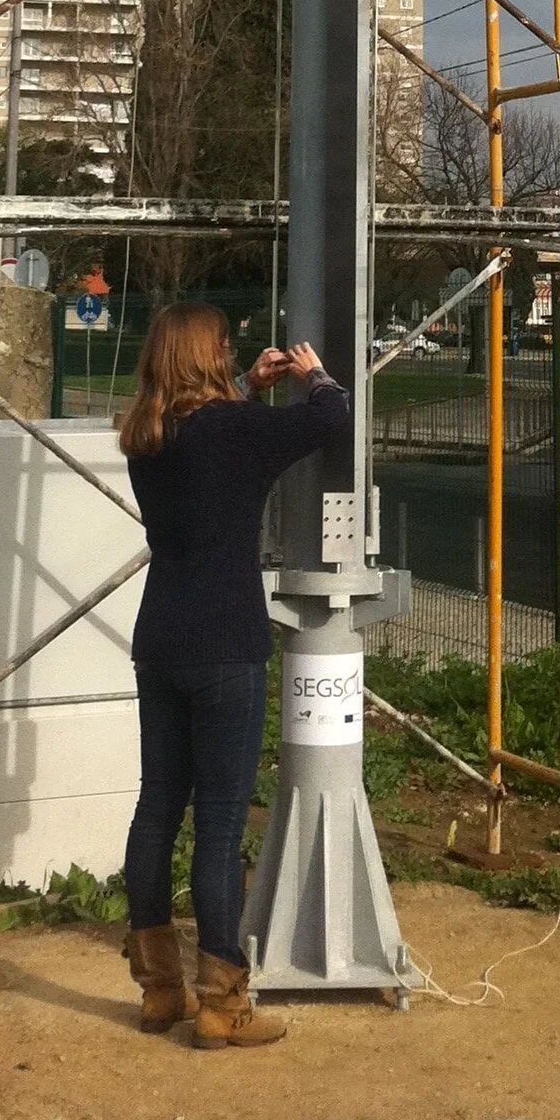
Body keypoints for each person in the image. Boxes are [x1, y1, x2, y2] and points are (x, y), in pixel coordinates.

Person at [117, 301, 349, 1049]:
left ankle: (160, 990)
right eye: (224, 347)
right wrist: (314, 374)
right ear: (206, 356)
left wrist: (249, 386)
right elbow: (331, 419)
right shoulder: (239, 432)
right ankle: (223, 1003)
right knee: (219, 825)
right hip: (227, 641)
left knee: (157, 808)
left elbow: (205, 438)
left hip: (161, 636)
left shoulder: (145, 435)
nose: (230, 353)